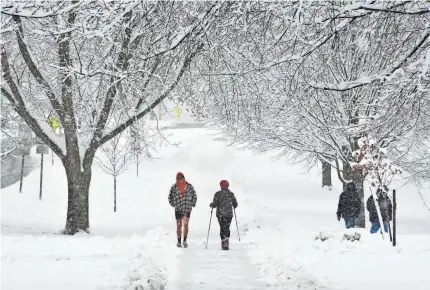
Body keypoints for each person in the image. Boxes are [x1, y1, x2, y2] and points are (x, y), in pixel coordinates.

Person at [168, 172, 197, 248]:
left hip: (187, 208)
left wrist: (192, 204)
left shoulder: (189, 186)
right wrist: (173, 204)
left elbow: (194, 195)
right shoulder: (174, 187)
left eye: (182, 178)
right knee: (179, 225)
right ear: (177, 178)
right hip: (178, 209)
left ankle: (184, 240)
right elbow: (170, 197)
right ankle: (178, 241)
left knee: (185, 225)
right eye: (180, 178)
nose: (181, 180)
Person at [210, 180, 238, 250]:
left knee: (222, 227)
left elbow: (215, 204)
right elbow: (235, 204)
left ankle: (223, 242)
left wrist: (212, 205)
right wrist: (234, 205)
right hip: (229, 214)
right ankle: (226, 241)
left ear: (221, 186)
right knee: (227, 227)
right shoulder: (231, 194)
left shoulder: (217, 194)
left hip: (220, 214)